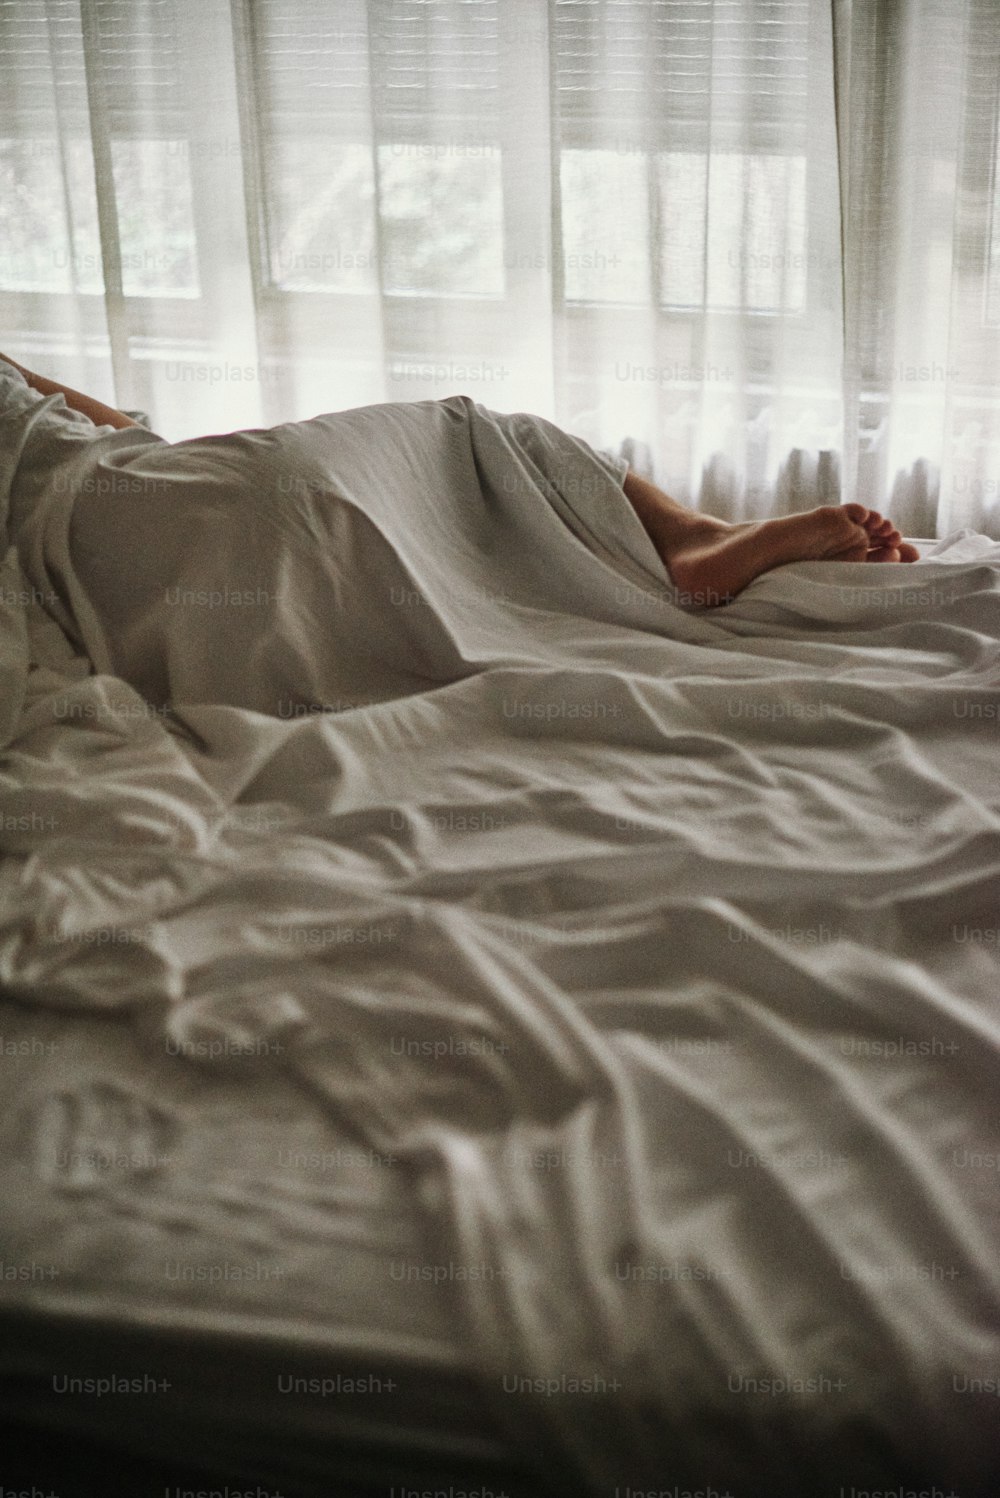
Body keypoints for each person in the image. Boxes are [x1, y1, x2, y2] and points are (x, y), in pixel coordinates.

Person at [1, 353, 918, 613]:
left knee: (465, 439)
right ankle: (684, 539)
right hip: (111, 509)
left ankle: (692, 534)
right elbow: (102, 429)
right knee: (469, 436)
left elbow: (111, 427)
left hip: (141, 484)